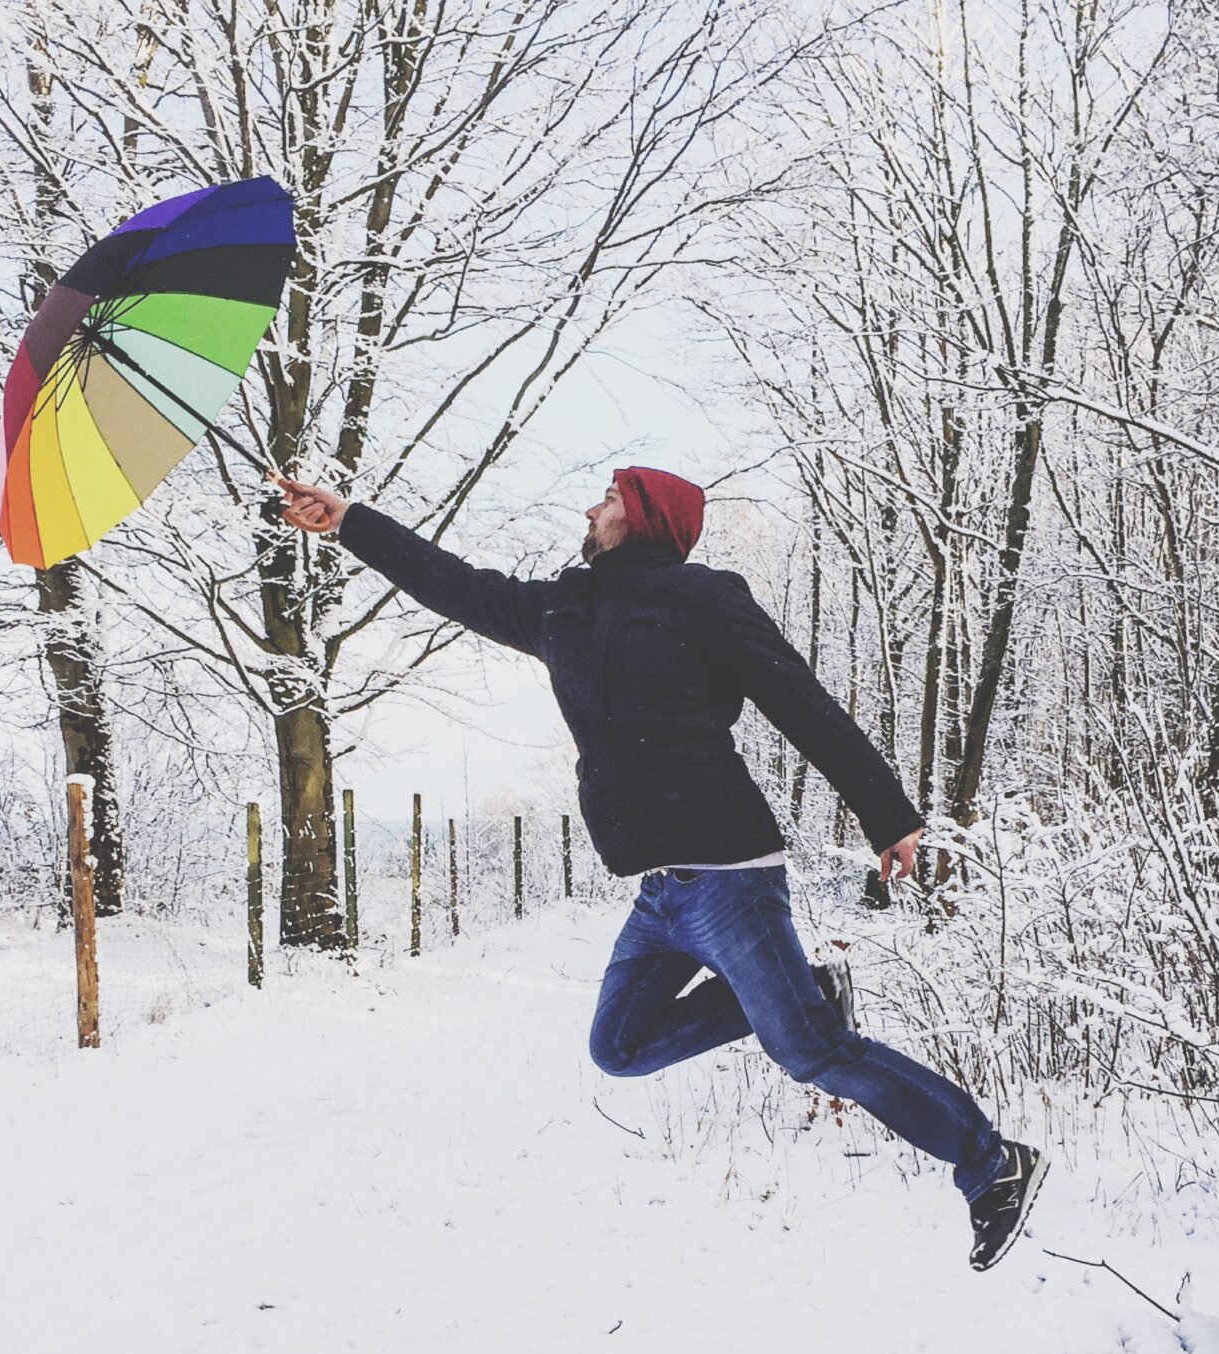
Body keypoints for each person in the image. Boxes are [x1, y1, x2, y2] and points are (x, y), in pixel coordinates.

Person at [276, 466, 1046, 1268]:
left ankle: (992, 1165)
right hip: (660, 892)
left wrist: (886, 812)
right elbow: (453, 584)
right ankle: (810, 995)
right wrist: (350, 522)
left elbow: (800, 700)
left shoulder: (704, 598)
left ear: (642, 519)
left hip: (730, 874)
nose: (589, 508)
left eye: (606, 499)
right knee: (620, 1046)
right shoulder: (561, 609)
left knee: (813, 1054)